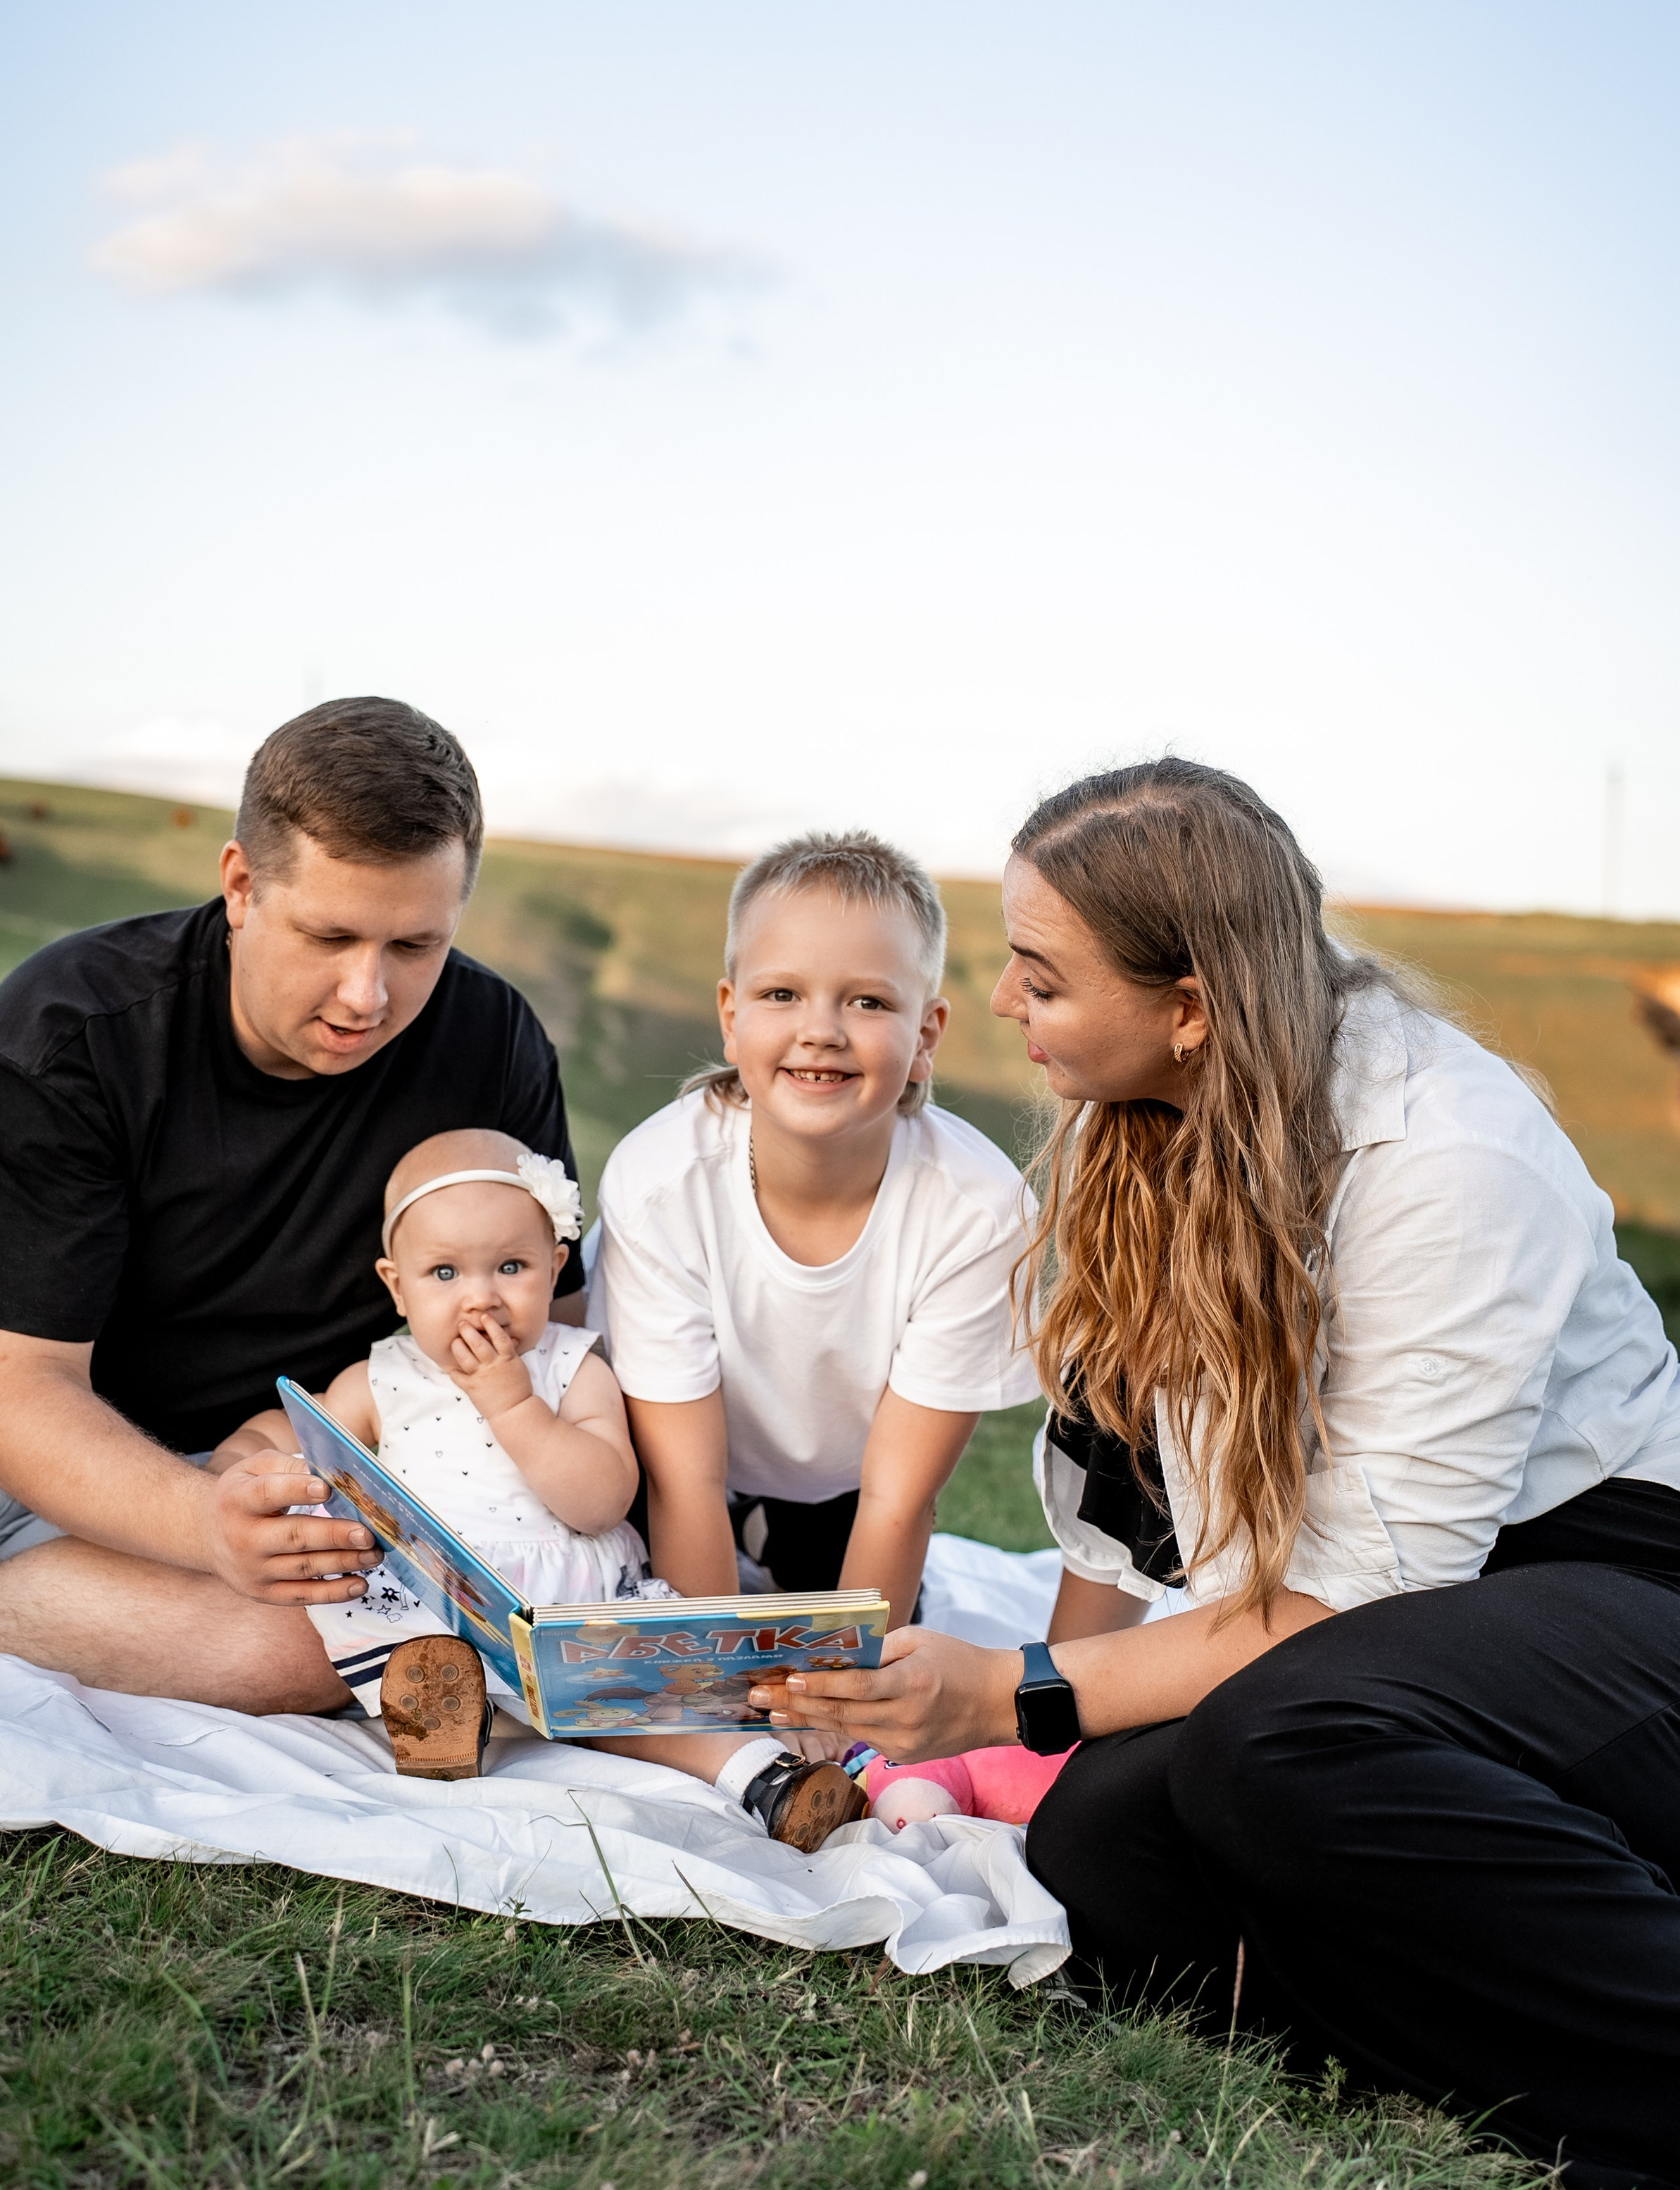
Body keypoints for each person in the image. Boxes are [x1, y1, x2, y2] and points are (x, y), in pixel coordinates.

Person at [752, 761, 1680, 2190]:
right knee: (1104, 1851)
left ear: (1188, 1006)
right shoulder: (1150, 1117)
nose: (1000, 1004)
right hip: (1395, 1623)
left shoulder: (1449, 1154)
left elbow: (1368, 1587)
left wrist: (1005, 1694)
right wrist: (1051, 1726)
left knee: (1285, 1749)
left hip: (1606, 1586)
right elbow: (1138, 1493)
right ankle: (1497, 2016)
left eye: (1039, 976)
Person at [0, 697, 585, 1715]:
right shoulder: (65, 1034)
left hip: (225, 1464)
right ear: (243, 885)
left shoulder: (492, 1046)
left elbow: (550, 1336)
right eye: (331, 935)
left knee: (316, 1651)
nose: (366, 995)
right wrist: (205, 1523)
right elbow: (14, 1398)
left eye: (415, 947)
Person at [213, 1125, 867, 1847]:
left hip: (568, 1612)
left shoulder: (572, 1367)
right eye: (444, 1275)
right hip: (441, 1600)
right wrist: (246, 1454)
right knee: (389, 1622)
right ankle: (442, 1718)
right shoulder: (378, 1377)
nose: (480, 1299)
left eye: (511, 1266)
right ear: (395, 1286)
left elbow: (601, 1501)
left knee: (643, 1707)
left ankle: (767, 1780)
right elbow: (318, 1449)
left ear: (555, 1269)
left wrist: (513, 1403)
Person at [591, 827, 1041, 1664]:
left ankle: (781, 1536)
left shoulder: (978, 1211)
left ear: (928, 1034)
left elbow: (899, 1500)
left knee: (849, 1633)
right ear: (730, 1017)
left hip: (839, 1480)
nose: (822, 1030)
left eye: (868, 1002)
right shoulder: (661, 1182)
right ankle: (745, 1536)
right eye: (782, 995)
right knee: (625, 1584)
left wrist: (837, 1693)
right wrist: (724, 1686)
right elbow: (682, 1478)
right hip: (672, 1460)